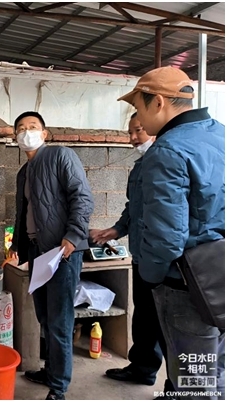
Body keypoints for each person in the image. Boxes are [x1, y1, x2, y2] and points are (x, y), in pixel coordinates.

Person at [118, 66, 225, 399]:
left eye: (138, 108)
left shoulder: (166, 151)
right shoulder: (220, 134)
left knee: (193, 380)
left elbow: (166, 239)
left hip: (185, 285)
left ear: (158, 102)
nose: (138, 118)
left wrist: (150, 278)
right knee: (215, 368)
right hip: (219, 274)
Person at [9, 111, 94, 400]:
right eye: (21, 128)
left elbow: (82, 196)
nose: (26, 132)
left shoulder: (61, 156)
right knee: (45, 316)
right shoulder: (24, 172)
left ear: (44, 134)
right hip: (37, 251)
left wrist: (73, 235)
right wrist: (17, 244)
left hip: (62, 252)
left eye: (32, 126)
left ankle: (58, 387)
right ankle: (51, 371)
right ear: (15, 137)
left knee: (59, 320)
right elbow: (24, 212)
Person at [90, 113, 175, 397]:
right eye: (130, 133)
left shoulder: (168, 161)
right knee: (144, 318)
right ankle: (143, 368)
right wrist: (116, 229)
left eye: (138, 130)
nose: (133, 138)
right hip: (141, 255)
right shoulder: (140, 167)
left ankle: (177, 387)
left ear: (155, 128)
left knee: (168, 326)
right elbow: (133, 207)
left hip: (164, 259)